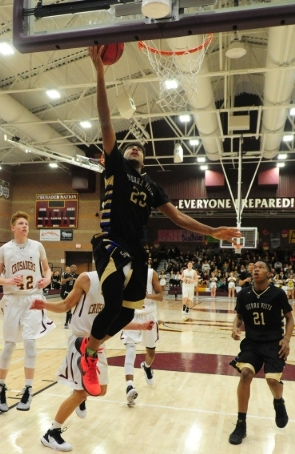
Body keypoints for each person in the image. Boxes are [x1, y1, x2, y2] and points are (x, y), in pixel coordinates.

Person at [76, 45, 241, 397]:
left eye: (139, 148)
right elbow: (106, 123)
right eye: (130, 146)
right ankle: (88, 354)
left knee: (123, 315)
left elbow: (179, 218)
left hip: (138, 252)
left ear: (146, 161)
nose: (134, 148)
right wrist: (100, 74)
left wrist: (213, 231)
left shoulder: (152, 185)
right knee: (113, 297)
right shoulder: (116, 166)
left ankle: (90, 347)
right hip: (110, 242)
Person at [30, 271, 153, 451]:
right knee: (81, 393)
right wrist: (45, 305)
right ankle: (51, 433)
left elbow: (116, 320)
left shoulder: (119, 286)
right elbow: (66, 304)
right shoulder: (87, 279)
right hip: (80, 341)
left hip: (97, 343)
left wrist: (139, 325)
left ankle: (79, 392)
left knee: (101, 391)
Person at [0, 211, 55, 413]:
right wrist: (8, 280)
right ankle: (0, 386)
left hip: (32, 298)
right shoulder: (4, 249)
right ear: (13, 227)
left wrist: (47, 279)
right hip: (12, 299)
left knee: (29, 341)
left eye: (26, 223)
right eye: (21, 223)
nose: (25, 226)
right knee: (9, 345)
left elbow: (47, 270)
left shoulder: (38, 246)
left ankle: (28, 388)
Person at [228, 261, 294, 445]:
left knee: (272, 380)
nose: (256, 269)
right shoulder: (244, 294)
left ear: (269, 274)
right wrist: (235, 327)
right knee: (245, 374)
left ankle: (278, 401)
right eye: (254, 267)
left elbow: (290, 318)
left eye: (261, 267)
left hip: (274, 343)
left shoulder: (277, 294)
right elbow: (239, 316)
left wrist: (287, 339)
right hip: (252, 343)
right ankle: (241, 423)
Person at [120, 268, 163, 406]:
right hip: (131, 314)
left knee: (150, 351)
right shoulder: (124, 272)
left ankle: (147, 366)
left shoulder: (151, 273)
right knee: (130, 348)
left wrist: (147, 296)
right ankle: (129, 385)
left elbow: (161, 296)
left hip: (149, 314)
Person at [60, 264, 78, 329]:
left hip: (75, 294)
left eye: (75, 267)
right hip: (67, 293)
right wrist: (67, 279)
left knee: (77, 308)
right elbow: (61, 282)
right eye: (72, 267)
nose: (73, 268)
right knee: (68, 308)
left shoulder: (78, 276)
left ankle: (72, 317)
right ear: (70, 268)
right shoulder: (66, 274)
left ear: (76, 268)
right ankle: (66, 323)